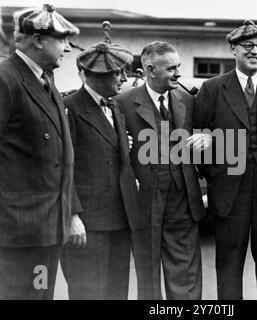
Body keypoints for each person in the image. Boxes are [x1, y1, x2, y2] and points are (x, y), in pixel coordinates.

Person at [194, 20, 257, 300]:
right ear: (233, 49)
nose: (255, 52)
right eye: (248, 46)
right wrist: (216, 175)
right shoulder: (212, 88)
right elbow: (199, 135)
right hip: (229, 192)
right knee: (229, 267)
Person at [0, 4, 80, 299]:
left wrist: (70, 213)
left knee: (40, 293)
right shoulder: (6, 78)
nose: (67, 48)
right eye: (61, 39)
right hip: (16, 232)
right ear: (36, 40)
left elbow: (60, 156)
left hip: (46, 230)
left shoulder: (45, 81)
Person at [116, 41, 206, 300]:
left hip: (183, 200)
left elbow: (206, 139)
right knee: (148, 273)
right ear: (150, 70)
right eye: (172, 68)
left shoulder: (187, 99)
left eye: (178, 66)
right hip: (145, 202)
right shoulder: (122, 103)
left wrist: (208, 139)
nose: (178, 73)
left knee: (186, 274)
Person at [60, 33, 139, 299]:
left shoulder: (114, 107)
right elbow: (61, 166)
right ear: (98, 75)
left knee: (116, 292)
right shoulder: (69, 107)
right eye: (119, 73)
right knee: (87, 292)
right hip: (88, 223)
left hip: (118, 219)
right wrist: (72, 216)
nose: (125, 79)